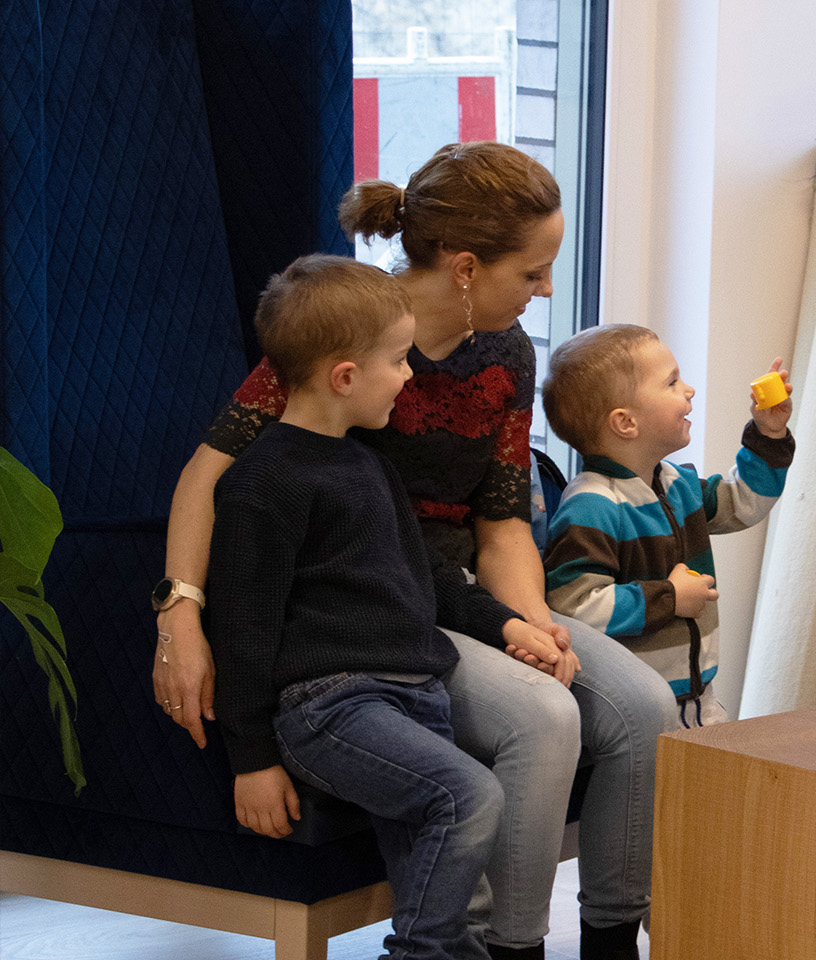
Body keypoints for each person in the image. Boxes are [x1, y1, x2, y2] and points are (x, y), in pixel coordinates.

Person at [153, 142, 677, 960]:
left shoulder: (507, 355)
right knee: (542, 718)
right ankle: (511, 947)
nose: (544, 293)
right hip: (378, 604)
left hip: (464, 590)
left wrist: (534, 626)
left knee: (644, 708)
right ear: (465, 267)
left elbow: (503, 522)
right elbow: (209, 475)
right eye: (532, 273)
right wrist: (180, 614)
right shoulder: (350, 326)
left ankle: (611, 941)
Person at [213, 255, 535, 960]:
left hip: (417, 696)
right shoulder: (261, 484)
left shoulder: (370, 466)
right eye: (398, 360)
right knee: (470, 796)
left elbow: (428, 575)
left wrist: (506, 623)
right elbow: (242, 631)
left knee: (436, 844)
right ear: (345, 377)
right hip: (332, 708)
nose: (411, 376)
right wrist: (253, 760)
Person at [539, 324, 794, 728]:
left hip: (699, 698)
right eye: (672, 382)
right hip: (637, 714)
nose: (688, 390)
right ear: (626, 423)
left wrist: (769, 434)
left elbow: (744, 501)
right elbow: (577, 607)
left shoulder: (677, 484)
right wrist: (669, 597)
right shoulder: (592, 506)